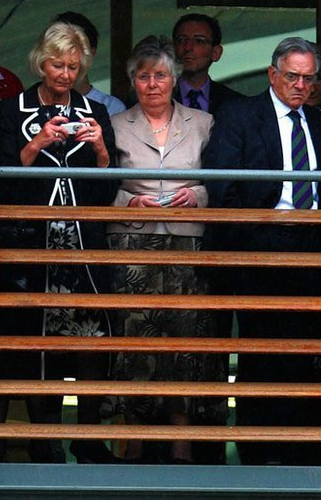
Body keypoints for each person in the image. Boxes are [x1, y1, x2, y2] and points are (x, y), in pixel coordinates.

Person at [203, 37, 321, 465]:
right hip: (259, 247)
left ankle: (295, 448)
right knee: (261, 353)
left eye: (309, 78)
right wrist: (255, 239)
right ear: (272, 74)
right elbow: (223, 186)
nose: (301, 85)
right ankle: (258, 452)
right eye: (292, 76)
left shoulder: (317, 121)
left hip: (311, 248)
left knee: (303, 352)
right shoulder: (240, 114)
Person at [0, 21, 118, 463]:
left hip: (83, 246)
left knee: (91, 339)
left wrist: (101, 150)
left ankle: (89, 440)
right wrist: (37, 143)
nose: (65, 74)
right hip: (33, 243)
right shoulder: (12, 110)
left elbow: (109, 189)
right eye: (57, 65)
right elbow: (1, 180)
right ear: (40, 63)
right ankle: (43, 441)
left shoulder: (95, 111)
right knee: (36, 342)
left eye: (73, 67)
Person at [107, 35, 224, 464]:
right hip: (132, 242)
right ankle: (135, 442)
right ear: (132, 81)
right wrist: (128, 201)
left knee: (185, 343)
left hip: (187, 241)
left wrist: (197, 195)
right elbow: (98, 183)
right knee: (135, 341)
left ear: (174, 79)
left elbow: (219, 181)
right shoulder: (115, 123)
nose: (152, 84)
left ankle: (181, 445)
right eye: (143, 77)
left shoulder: (204, 122)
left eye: (160, 75)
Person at [53, 11, 126, 116]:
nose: (65, 56)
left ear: (90, 53)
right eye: (57, 48)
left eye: (73, 48)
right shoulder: (32, 104)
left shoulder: (111, 108)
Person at [172, 13, 242, 116]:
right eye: (182, 40)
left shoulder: (236, 103)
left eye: (199, 41)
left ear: (216, 53)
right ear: (173, 48)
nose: (188, 47)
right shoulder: (156, 97)